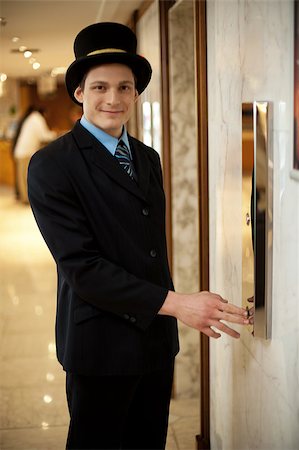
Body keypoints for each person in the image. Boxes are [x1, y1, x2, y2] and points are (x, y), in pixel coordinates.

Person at [28, 22, 249, 450]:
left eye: (124, 87)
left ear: (135, 93)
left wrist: (169, 312)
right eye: (100, 87)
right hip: (100, 347)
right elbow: (84, 269)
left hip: (154, 340)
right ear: (79, 92)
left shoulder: (147, 158)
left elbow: (147, 250)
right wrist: (180, 304)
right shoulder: (52, 165)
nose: (113, 99)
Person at [13, 106, 56, 203]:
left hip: (21, 151)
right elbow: (44, 135)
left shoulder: (32, 118)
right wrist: (55, 134)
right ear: (44, 113)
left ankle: (25, 199)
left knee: (22, 178)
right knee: (26, 178)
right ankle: (27, 200)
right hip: (26, 152)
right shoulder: (37, 119)